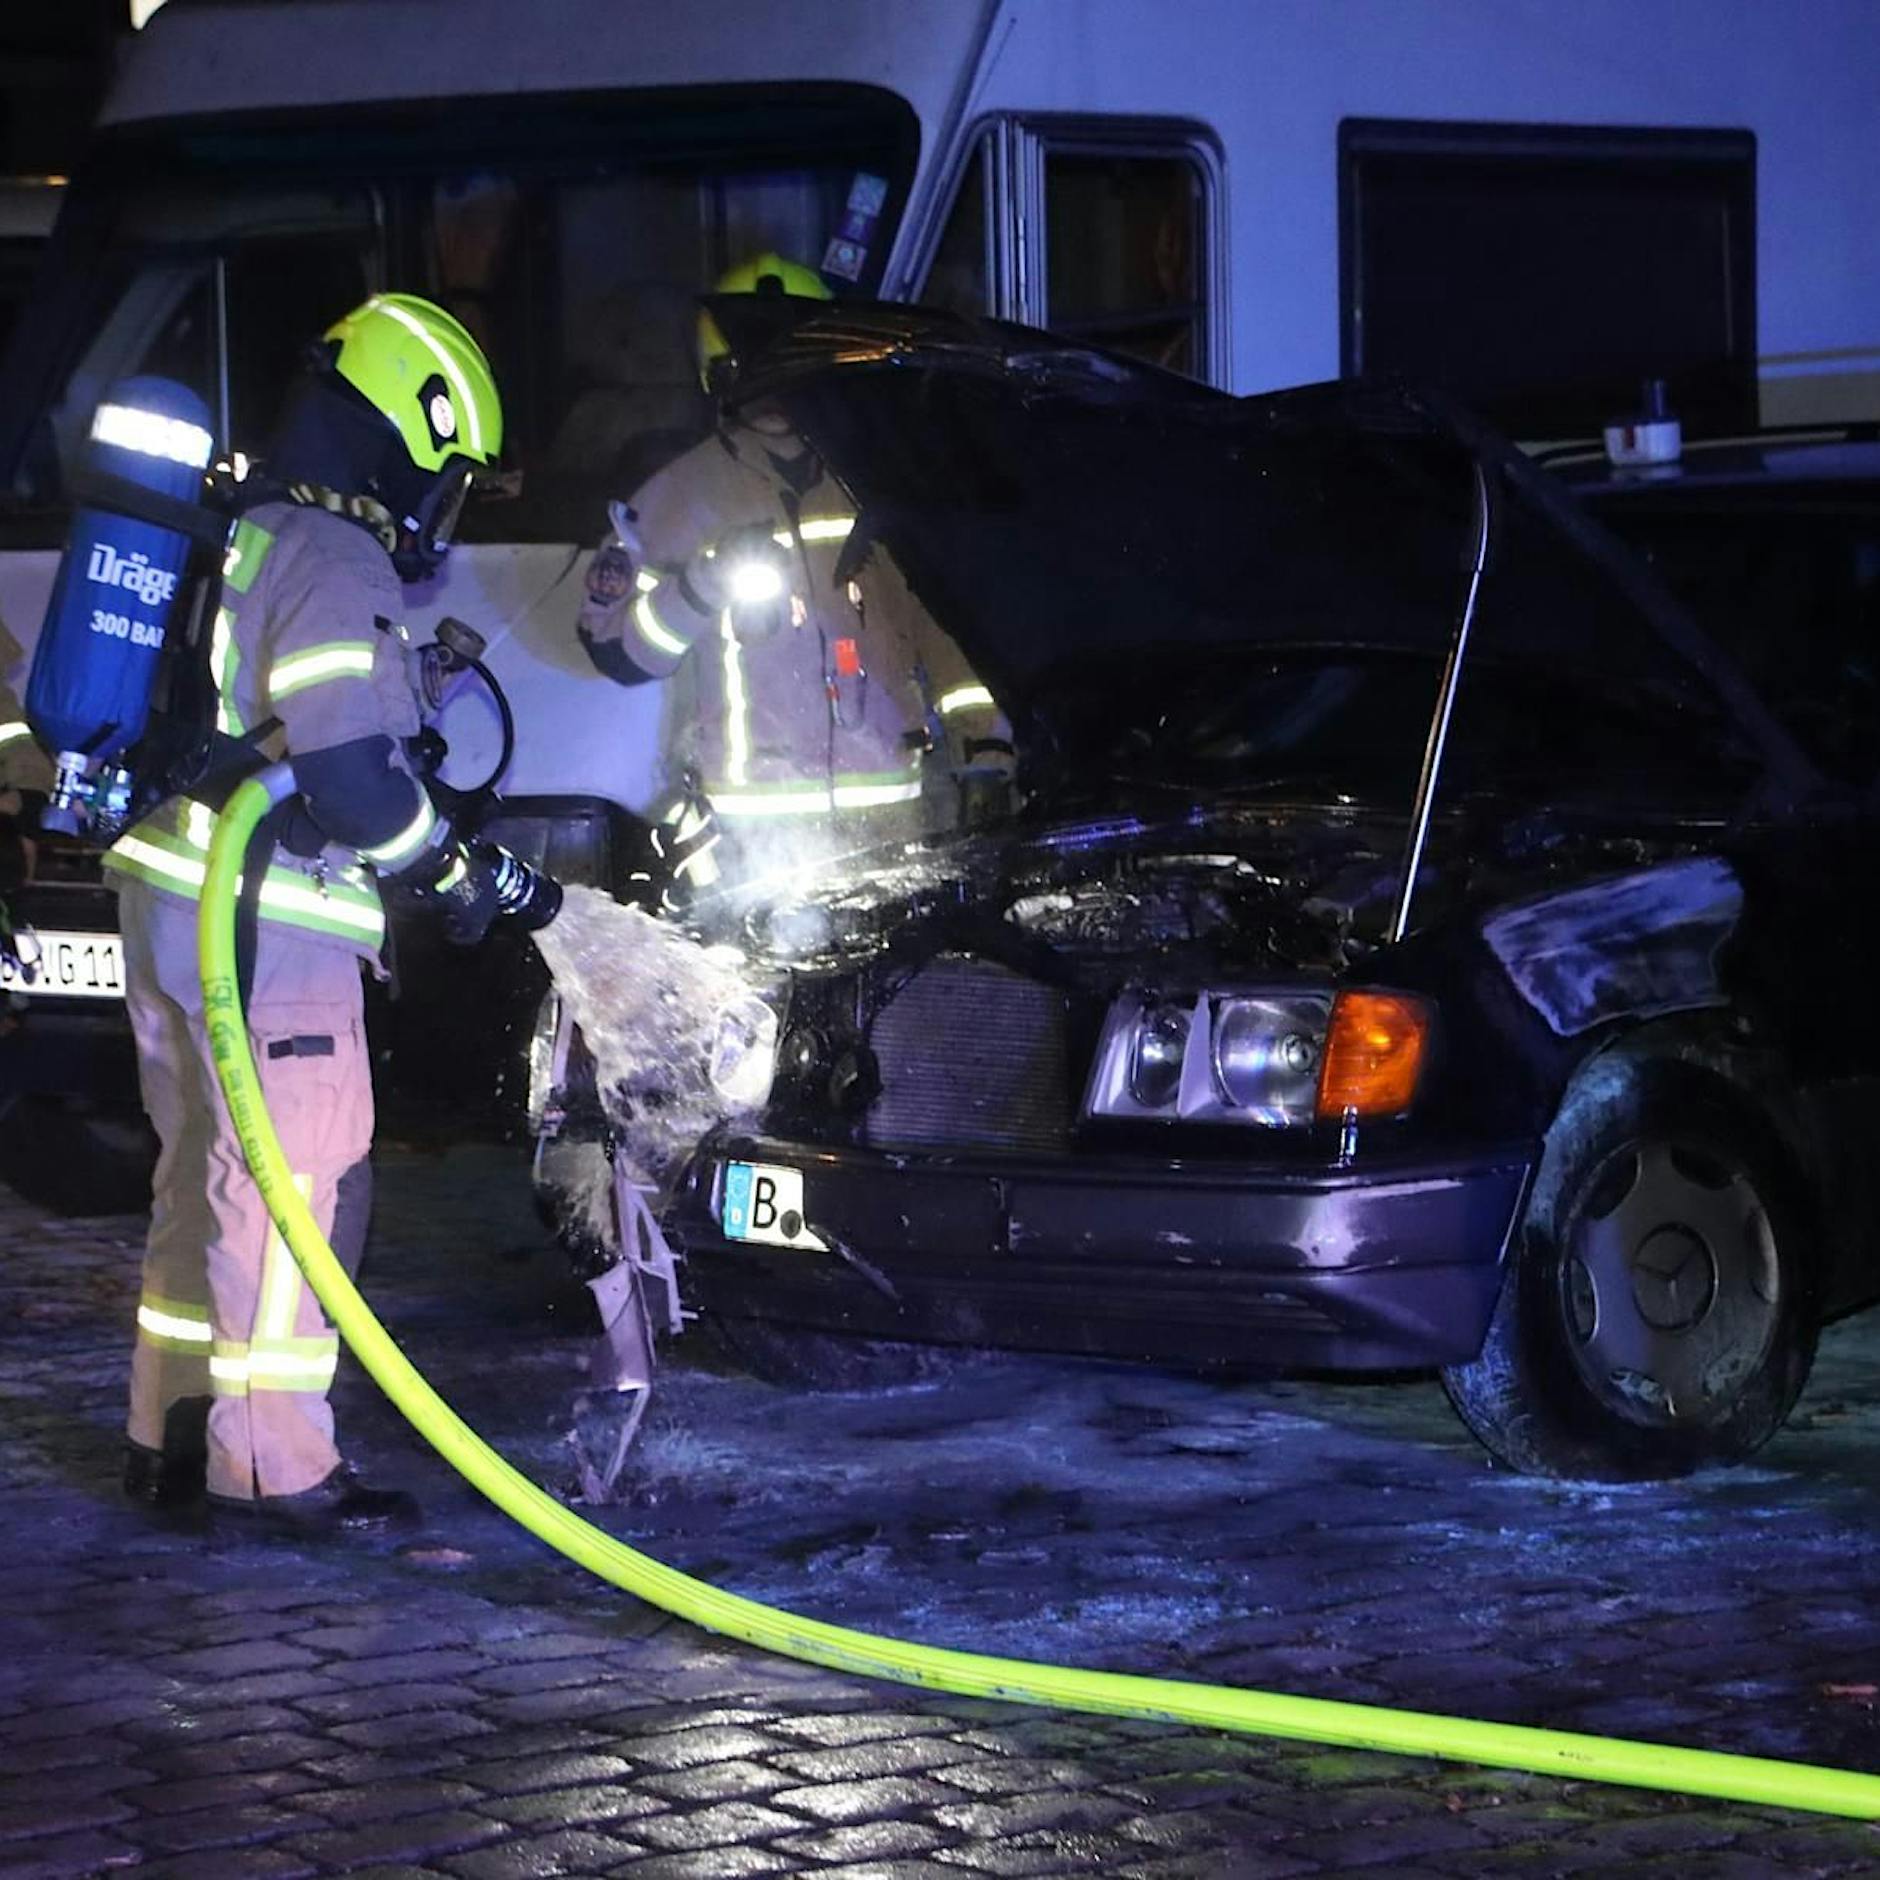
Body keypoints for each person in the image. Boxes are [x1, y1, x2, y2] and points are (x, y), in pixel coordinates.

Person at [105, 293, 511, 1536]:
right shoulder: (335, 560)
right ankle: (274, 1467)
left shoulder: (239, 530)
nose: (438, 510)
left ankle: (171, 1430)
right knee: (291, 1192)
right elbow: (343, 775)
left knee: (198, 1178)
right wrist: (447, 871)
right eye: (448, 476)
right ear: (405, 435)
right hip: (270, 928)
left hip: (169, 905)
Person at [575, 254, 1011, 908]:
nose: (774, 397)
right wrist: (702, 584)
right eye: (755, 376)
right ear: (720, 379)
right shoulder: (680, 497)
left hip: (894, 825)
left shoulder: (884, 484)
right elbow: (614, 650)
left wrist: (985, 750)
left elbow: (946, 629)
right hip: (750, 844)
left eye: (790, 375)